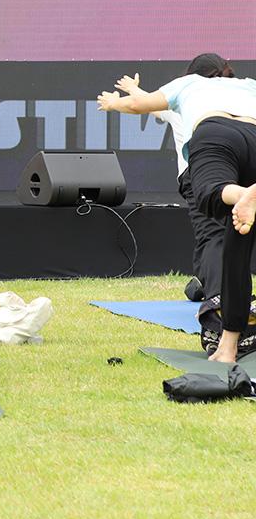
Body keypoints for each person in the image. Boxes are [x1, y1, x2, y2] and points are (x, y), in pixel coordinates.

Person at [97, 63, 256, 363]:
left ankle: (227, 347)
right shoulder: (249, 85)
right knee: (239, 239)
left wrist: (114, 102)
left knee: (212, 196)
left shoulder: (189, 84)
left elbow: (139, 104)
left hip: (218, 135)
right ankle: (228, 345)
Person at [116, 55, 235, 302]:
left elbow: (145, 105)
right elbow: (149, 105)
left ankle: (209, 287)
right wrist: (133, 91)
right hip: (220, 172)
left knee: (214, 232)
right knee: (216, 231)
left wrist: (132, 91)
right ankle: (214, 293)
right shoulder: (229, 96)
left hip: (207, 174)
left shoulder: (182, 98)